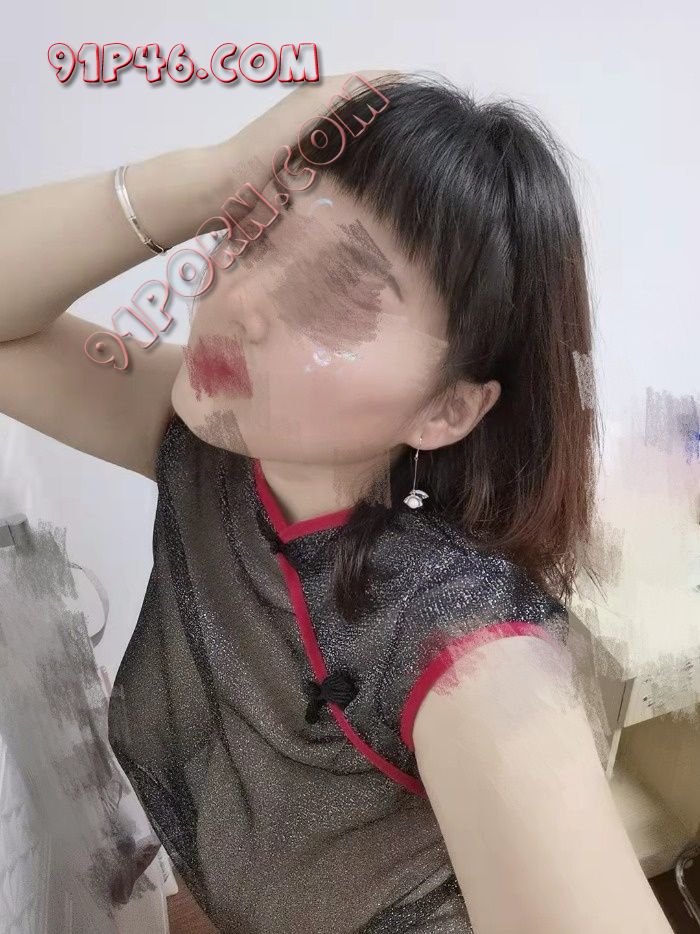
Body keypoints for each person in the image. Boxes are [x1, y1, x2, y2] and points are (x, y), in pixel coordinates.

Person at [0, 70, 675, 933]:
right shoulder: (215, 450)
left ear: (447, 409)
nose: (239, 301)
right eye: (252, 234)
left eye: (335, 295)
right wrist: (204, 178)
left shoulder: (472, 657)